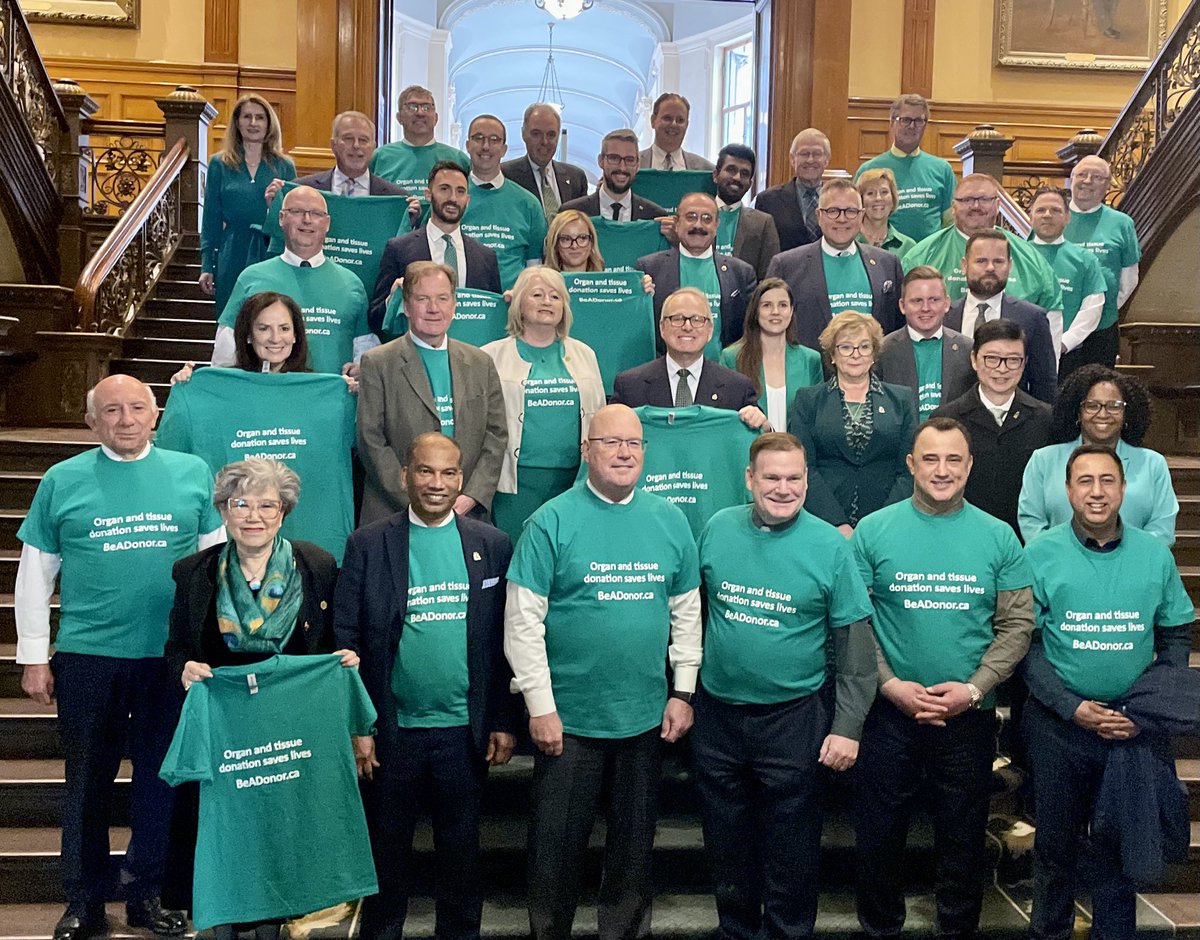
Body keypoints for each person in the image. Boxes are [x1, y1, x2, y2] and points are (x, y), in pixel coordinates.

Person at [15, 375, 224, 940]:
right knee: (88, 781)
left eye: (137, 408)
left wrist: (212, 649)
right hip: (88, 657)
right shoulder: (62, 481)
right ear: (92, 422)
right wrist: (34, 656)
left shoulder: (193, 474)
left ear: (155, 415)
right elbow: (35, 575)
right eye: (111, 410)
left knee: (160, 780)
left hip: (169, 660)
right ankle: (83, 901)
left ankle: (145, 895)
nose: (126, 419)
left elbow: (215, 568)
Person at [503, 403, 702, 940]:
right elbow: (523, 622)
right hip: (569, 722)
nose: (623, 452)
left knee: (633, 854)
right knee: (555, 852)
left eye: (633, 444)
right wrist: (540, 707)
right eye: (611, 442)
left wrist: (683, 690)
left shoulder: (670, 520)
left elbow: (686, 612)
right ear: (586, 450)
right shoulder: (551, 521)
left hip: (644, 718)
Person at [852, 417, 1034, 940]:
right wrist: (888, 684)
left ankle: (957, 929)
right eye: (930, 458)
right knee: (880, 835)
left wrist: (975, 688)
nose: (942, 469)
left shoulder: (999, 536)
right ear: (911, 464)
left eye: (954, 459)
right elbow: (854, 621)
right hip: (888, 712)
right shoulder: (874, 530)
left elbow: (1017, 623)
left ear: (970, 466)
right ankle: (880, 928)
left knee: (962, 838)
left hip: (969, 717)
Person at [334, 432, 517, 940]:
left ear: (461, 479)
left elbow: (503, 639)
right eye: (426, 471)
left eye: (448, 473)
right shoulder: (368, 543)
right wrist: (358, 725)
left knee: (461, 860)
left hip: (465, 733)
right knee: (386, 859)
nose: (437, 484)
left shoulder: (492, 544)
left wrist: (502, 718)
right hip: (392, 734)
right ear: (404, 476)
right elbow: (346, 639)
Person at [694, 432, 875, 940]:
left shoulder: (829, 546)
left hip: (794, 718)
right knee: (726, 845)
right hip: (718, 718)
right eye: (771, 477)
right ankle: (736, 932)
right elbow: (690, 615)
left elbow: (856, 652)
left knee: (792, 851)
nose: (783, 487)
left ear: (806, 480)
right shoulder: (716, 528)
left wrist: (847, 727)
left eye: (794, 477)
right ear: (749, 479)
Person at [1021, 445, 1195, 940]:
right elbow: (1024, 644)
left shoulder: (1153, 555)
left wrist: (1147, 710)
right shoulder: (1038, 555)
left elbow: (1176, 634)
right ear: (1068, 490)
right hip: (1059, 726)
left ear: (1123, 489)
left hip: (1132, 728)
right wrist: (1072, 707)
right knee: (1054, 850)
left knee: (1119, 852)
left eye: (1107, 481)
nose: (1096, 492)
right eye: (1084, 481)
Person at [357, 261, 507, 525]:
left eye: (442, 298)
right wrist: (422, 501)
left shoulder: (481, 362)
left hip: (467, 512)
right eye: (422, 299)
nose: (433, 308)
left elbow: (496, 436)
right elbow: (371, 441)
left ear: (454, 304)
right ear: (405, 306)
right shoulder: (378, 362)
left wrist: (471, 495)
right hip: (395, 512)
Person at [481, 266, 606, 542]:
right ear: (518, 303)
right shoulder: (490, 356)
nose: (546, 301)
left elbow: (599, 415)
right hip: (514, 486)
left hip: (575, 482)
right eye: (537, 294)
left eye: (555, 296)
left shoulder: (585, 354)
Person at [211, 185, 376, 376]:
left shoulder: (352, 283)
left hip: (331, 401)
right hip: (267, 399)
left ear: (327, 223)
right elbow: (224, 356)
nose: (307, 220)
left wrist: (360, 370)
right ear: (281, 218)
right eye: (296, 212)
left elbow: (365, 349)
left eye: (316, 213)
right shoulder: (251, 278)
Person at [787, 311, 917, 535]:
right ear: (833, 356)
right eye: (846, 347)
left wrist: (879, 523)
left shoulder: (902, 399)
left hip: (887, 522)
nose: (856, 354)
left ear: (874, 353)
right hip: (824, 522)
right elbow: (804, 467)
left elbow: (908, 468)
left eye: (864, 346)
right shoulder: (808, 400)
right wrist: (837, 523)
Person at [1019, 364, 1177, 545]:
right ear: (1077, 412)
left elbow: (1162, 530)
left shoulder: (1153, 464)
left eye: (1114, 406)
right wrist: (1061, 558)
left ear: (1127, 413)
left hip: (1133, 569)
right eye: (1092, 405)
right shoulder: (1043, 460)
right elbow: (1031, 521)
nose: (1103, 414)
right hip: (1059, 568)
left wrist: (1122, 559)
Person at [933, 318, 1052, 535]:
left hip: (1026, 541)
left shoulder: (1045, 419)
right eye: (992, 359)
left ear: (1025, 363)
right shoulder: (947, 419)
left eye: (1013, 360)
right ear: (974, 360)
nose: (1002, 369)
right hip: (962, 536)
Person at [765, 178, 904, 350]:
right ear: (819, 216)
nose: (842, 219)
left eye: (850, 211)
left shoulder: (888, 264)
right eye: (833, 211)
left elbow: (898, 329)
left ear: (861, 215)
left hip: (873, 373)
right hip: (812, 374)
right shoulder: (786, 266)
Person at [904, 173, 1063, 319]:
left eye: (984, 199)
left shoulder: (1031, 258)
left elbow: (1052, 312)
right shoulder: (922, 255)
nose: (975, 206)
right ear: (953, 207)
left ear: (998, 204)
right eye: (966, 200)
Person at [370, 161, 502, 331]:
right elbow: (375, 318)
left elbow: (494, 319)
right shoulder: (399, 249)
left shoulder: (486, 257)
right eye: (444, 189)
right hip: (414, 354)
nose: (453, 198)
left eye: (460, 191)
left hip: (469, 353)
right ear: (428, 194)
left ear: (468, 200)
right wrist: (391, 300)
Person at [199, 93, 295, 315]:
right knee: (232, 320)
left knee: (269, 316)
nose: (253, 123)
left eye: (260, 117)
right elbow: (211, 219)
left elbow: (293, 217)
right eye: (247, 117)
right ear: (237, 122)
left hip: (272, 250)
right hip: (232, 251)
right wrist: (207, 265)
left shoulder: (284, 166)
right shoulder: (219, 164)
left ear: (269, 124)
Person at [612, 288, 763, 423]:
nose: (687, 327)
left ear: (710, 330)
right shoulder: (630, 387)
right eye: (677, 319)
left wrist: (763, 426)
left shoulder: (737, 389)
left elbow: (759, 445)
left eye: (697, 320)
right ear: (662, 327)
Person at [636, 191, 757, 354]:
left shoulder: (741, 273)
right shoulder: (649, 269)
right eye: (691, 217)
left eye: (707, 219)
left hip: (723, 374)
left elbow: (749, 332)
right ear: (677, 223)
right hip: (665, 372)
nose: (698, 225)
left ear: (716, 225)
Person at [945, 231, 1058, 404]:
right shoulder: (944, 316)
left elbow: (1045, 385)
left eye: (998, 261)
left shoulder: (1033, 318)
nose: (990, 268)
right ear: (964, 265)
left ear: (1009, 266)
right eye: (981, 261)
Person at [1063, 155, 1142, 368]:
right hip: (1058, 324)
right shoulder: (1052, 217)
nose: (1087, 181)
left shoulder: (1122, 223)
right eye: (1082, 174)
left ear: (1107, 185)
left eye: (1097, 177)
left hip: (1102, 327)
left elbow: (1129, 278)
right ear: (1071, 179)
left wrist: (1104, 307)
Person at [719, 277, 823, 432]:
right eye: (767, 305)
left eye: (783, 305)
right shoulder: (731, 358)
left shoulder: (811, 360)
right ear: (756, 311)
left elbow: (817, 418)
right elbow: (726, 417)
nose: (776, 312)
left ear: (791, 310)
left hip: (798, 452)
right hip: (750, 451)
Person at [461, 113, 548, 290]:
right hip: (460, 306)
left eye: (494, 140)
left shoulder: (528, 204)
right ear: (468, 145)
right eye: (478, 138)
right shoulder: (451, 199)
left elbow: (535, 267)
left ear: (504, 149)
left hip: (511, 307)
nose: (486, 146)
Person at [854, 94, 957, 243]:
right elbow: (855, 217)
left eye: (919, 121)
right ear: (892, 122)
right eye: (906, 120)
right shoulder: (869, 169)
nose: (912, 126)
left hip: (929, 259)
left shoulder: (942, 169)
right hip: (883, 253)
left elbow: (951, 222)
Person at [1028, 185, 1106, 379]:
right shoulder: (1014, 254)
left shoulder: (1084, 259)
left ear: (1067, 217)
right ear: (1031, 216)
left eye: (1055, 210)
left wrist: (1063, 343)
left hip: (1068, 356)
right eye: (1041, 210)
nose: (1047, 215)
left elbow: (1093, 308)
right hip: (1018, 353)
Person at [876, 266, 974, 420]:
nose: (926, 308)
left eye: (934, 300)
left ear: (947, 303)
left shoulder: (968, 349)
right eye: (917, 301)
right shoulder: (883, 351)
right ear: (902, 306)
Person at [289, 110, 411, 200]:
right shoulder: (301, 189)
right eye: (348, 139)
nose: (356, 146)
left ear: (373, 147)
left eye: (363, 140)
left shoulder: (396, 197)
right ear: (333, 144)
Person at [369, 85, 470, 192]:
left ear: (436, 118)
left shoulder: (458, 159)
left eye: (426, 108)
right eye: (412, 107)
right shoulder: (379, 157)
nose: (420, 113)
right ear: (399, 117)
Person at [501, 102, 590, 217]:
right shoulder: (506, 176)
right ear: (523, 134)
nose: (544, 142)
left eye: (551, 134)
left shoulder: (576, 178)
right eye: (536, 134)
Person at [560, 128, 669, 221]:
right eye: (614, 158)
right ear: (601, 161)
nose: (622, 167)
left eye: (629, 160)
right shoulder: (571, 213)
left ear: (637, 164)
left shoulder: (654, 216)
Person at [711, 143, 781, 279]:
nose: (737, 177)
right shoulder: (696, 217)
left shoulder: (763, 223)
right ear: (715, 175)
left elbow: (770, 278)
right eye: (731, 170)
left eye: (744, 173)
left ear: (750, 183)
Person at [754, 128, 829, 251]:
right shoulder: (768, 201)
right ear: (792, 159)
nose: (810, 160)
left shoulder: (839, 201)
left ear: (826, 160)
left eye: (817, 154)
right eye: (804, 154)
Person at [638, 93, 714, 170]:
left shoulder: (706, 170)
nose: (674, 124)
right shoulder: (633, 166)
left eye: (680, 120)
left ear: (687, 125)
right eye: (667, 118)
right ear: (653, 121)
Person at [855, 167, 917, 260]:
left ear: (893, 199)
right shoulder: (849, 241)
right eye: (870, 193)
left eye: (884, 192)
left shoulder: (908, 247)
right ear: (860, 200)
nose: (878, 198)